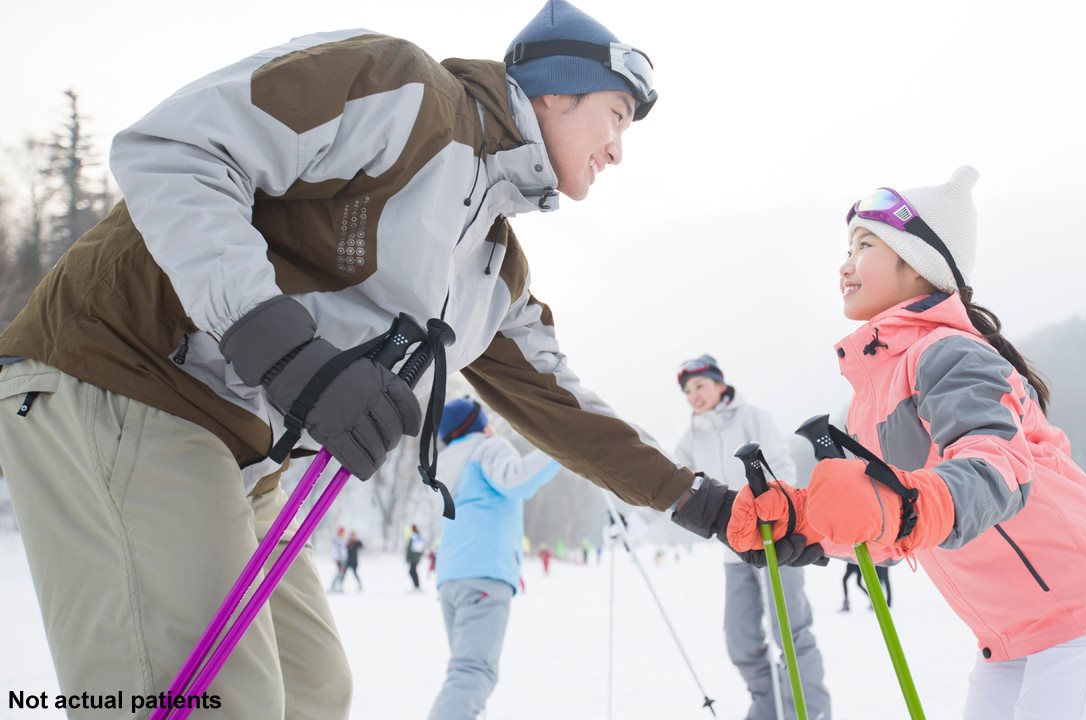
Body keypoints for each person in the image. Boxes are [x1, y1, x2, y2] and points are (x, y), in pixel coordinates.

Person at [0, 1, 826, 714]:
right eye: (616, 115)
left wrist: (705, 505)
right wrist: (290, 354)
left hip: (237, 454)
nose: (619, 148)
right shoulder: (403, 94)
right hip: (119, 376)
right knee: (210, 701)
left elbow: (568, 413)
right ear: (558, 87)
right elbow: (172, 150)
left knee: (315, 693)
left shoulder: (491, 271)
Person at [726, 167, 1086, 719]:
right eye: (848, 246)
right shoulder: (870, 393)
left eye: (864, 245)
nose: (845, 263)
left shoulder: (950, 354)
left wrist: (906, 505)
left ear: (917, 265)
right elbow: (888, 526)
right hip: (1010, 623)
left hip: (1081, 600)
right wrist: (803, 521)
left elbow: (998, 467)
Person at [673, 355, 832, 720]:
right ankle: (769, 709)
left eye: (699, 385)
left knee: (790, 632)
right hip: (733, 553)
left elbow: (781, 466)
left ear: (719, 383)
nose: (694, 395)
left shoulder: (752, 417)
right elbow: (671, 483)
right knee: (740, 639)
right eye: (687, 391)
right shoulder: (689, 439)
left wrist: (776, 513)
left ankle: (809, 711)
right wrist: (630, 518)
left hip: (778, 544)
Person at [429, 397, 559, 719]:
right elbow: (517, 481)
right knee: (473, 672)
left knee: (465, 672)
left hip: (451, 580)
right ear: (479, 424)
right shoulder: (487, 447)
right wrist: (562, 451)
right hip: (484, 574)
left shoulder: (443, 465)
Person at [407, 524, 427, 591]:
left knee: (412, 571)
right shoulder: (417, 536)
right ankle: (416, 586)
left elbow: (414, 548)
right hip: (415, 557)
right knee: (413, 571)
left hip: (414, 558)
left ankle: (417, 586)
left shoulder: (415, 536)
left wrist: (409, 557)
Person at [329, 527, 350, 593]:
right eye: (341, 532)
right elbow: (338, 550)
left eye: (343, 532)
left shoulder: (343, 540)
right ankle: (333, 586)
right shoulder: (336, 540)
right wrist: (341, 559)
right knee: (339, 572)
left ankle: (340, 586)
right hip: (339, 559)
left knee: (343, 573)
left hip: (344, 559)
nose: (342, 534)